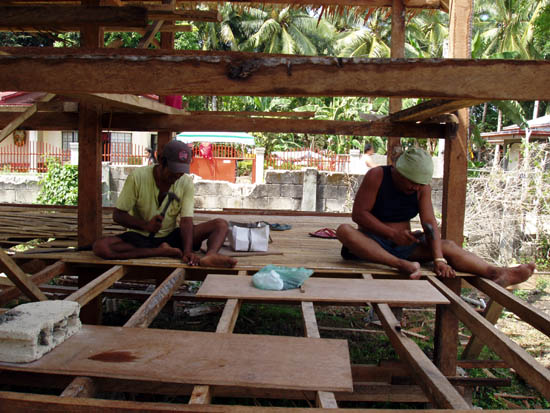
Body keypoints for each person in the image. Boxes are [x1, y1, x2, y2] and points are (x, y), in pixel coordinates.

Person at [336, 147, 535, 287]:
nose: (416, 187)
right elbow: (359, 215)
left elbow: (429, 223)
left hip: (404, 246)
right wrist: (390, 234)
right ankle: (400, 265)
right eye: (412, 182)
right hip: (373, 244)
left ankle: (496, 272)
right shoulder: (377, 175)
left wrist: (439, 259)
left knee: (448, 246)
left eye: (420, 183)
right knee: (344, 231)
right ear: (398, 171)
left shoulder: (422, 189)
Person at [93, 140, 237, 268]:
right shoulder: (137, 177)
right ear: (161, 161)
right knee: (101, 247)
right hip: (142, 237)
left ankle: (210, 255)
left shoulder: (185, 181)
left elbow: (186, 221)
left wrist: (187, 251)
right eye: (174, 171)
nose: (177, 176)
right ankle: (159, 251)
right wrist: (145, 225)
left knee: (221, 224)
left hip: (172, 236)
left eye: (181, 172)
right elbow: (118, 215)